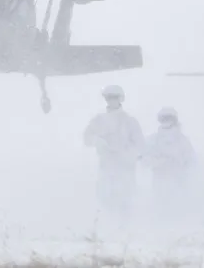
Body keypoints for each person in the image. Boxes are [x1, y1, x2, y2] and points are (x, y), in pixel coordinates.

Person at [83, 85, 145, 222]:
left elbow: (140, 146)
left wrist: (125, 153)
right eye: (108, 98)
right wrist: (97, 141)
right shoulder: (98, 120)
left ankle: (125, 231)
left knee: (124, 201)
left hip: (125, 169)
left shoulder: (129, 121)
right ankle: (107, 229)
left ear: (120, 99)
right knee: (106, 199)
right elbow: (87, 138)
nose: (111, 101)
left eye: (114, 97)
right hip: (106, 167)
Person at [140, 107, 196, 205]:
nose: (166, 121)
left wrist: (177, 164)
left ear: (174, 120)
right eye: (164, 118)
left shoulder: (182, 141)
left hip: (177, 181)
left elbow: (191, 162)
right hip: (159, 180)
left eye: (169, 118)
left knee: (176, 207)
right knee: (160, 206)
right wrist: (158, 162)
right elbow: (144, 159)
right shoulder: (153, 140)